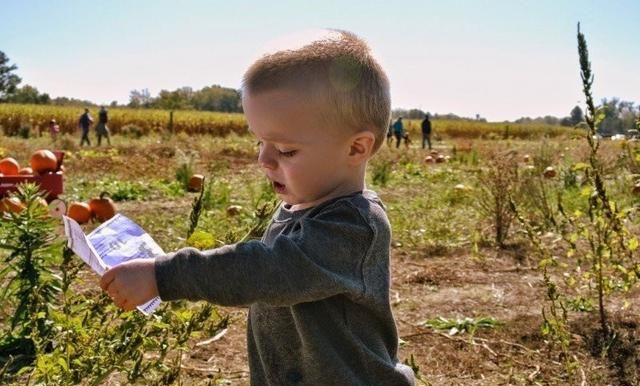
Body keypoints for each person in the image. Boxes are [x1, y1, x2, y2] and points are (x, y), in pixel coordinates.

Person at [99, 30, 415, 386]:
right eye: (260, 141)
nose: (263, 159)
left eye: (286, 149)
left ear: (356, 149)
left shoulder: (354, 227)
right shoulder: (296, 210)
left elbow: (268, 271)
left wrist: (165, 275)